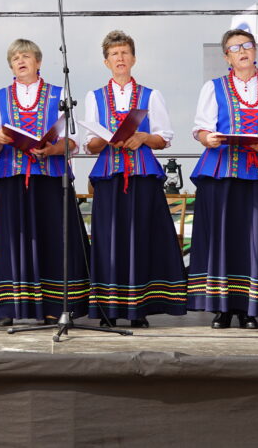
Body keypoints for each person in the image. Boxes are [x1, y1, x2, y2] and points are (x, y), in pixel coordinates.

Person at [187, 29, 258, 329]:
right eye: (235, 48)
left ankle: (250, 307)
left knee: (256, 238)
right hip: (222, 170)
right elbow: (201, 129)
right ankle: (223, 307)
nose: (242, 51)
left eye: (247, 46)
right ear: (227, 57)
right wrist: (207, 138)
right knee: (223, 238)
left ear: (255, 51)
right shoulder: (214, 88)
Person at [82, 30, 187, 327]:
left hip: (141, 175)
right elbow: (89, 144)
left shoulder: (152, 95)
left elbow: (164, 139)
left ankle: (138, 308)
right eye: (114, 54)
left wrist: (142, 137)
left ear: (134, 59)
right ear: (106, 62)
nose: (120, 58)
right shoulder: (95, 96)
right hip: (110, 175)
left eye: (125, 53)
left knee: (141, 239)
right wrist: (107, 140)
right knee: (108, 241)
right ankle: (109, 310)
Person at [0, 39, 89, 327]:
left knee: (53, 240)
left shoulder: (58, 94)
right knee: (13, 241)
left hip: (50, 178)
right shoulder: (0, 96)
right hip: (13, 176)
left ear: (38, 62)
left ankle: (55, 306)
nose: (21, 61)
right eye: (15, 57)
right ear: (10, 65)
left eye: (26, 56)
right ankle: (9, 308)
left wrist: (53, 149)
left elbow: (73, 140)